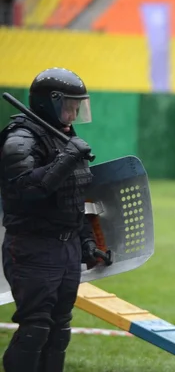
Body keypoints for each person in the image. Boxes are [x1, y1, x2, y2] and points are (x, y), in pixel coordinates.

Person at [0, 67, 99, 372]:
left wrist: (86, 240)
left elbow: (74, 196)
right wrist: (67, 158)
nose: (73, 111)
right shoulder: (21, 139)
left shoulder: (64, 136)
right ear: (50, 102)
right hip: (32, 245)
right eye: (69, 104)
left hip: (65, 247)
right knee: (36, 327)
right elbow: (23, 190)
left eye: (77, 104)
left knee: (59, 329)